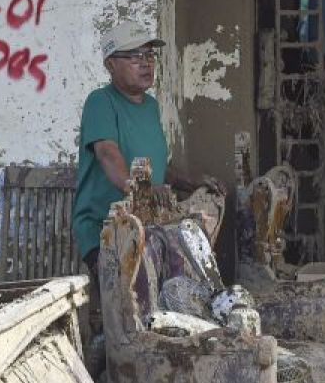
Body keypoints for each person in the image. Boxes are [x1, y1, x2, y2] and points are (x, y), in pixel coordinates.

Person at [72, 20, 222, 274]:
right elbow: (107, 154)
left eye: (150, 55)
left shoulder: (151, 106)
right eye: (135, 56)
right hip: (106, 230)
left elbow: (159, 164)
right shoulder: (100, 102)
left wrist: (193, 182)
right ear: (110, 64)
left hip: (148, 225)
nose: (146, 63)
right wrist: (141, 190)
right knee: (140, 289)